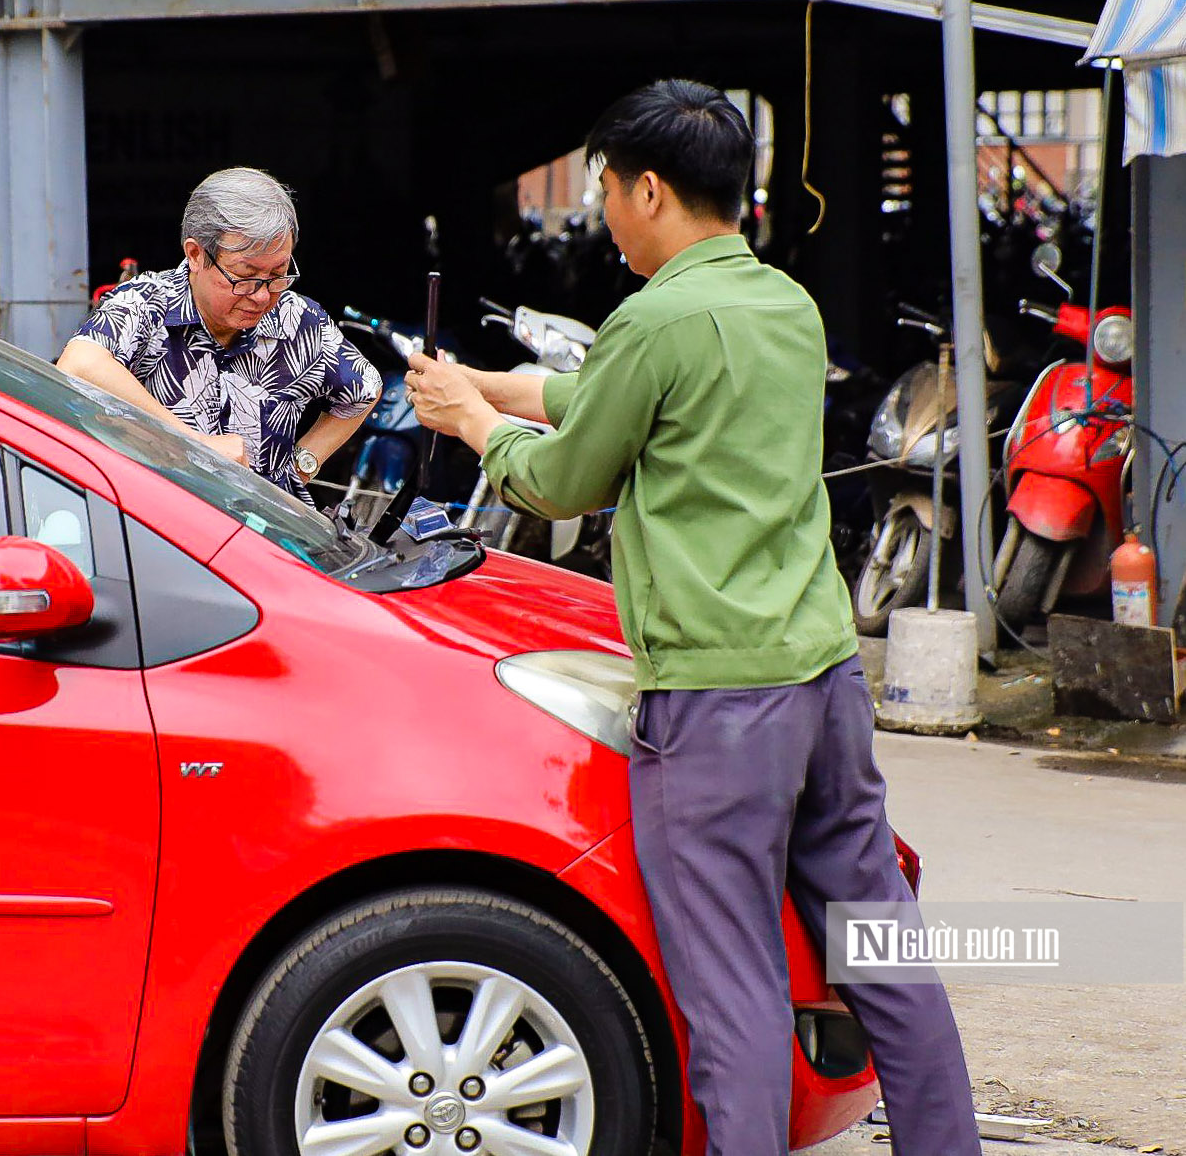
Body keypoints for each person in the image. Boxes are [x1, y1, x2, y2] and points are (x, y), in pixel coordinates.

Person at [404, 80, 980, 1156]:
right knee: (882, 953)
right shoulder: (782, 303)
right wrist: (490, 384)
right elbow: (625, 396)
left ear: (651, 188)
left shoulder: (654, 315)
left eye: (605, 187)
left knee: (731, 979)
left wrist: (477, 422)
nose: (604, 209)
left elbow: (568, 476)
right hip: (822, 678)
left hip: (721, 701)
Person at [57, 167, 378, 503]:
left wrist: (302, 465)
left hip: (265, 536)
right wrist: (192, 444)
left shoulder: (299, 319)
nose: (261, 295)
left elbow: (364, 390)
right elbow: (78, 364)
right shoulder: (145, 304)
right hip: (155, 531)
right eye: (244, 275)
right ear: (196, 254)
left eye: (278, 274)